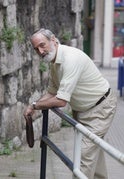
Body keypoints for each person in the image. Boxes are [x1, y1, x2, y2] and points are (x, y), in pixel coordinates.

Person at [23, 28, 117, 179]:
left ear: (53, 39)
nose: (40, 51)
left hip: (100, 108)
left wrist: (35, 105)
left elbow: (60, 101)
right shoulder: (55, 62)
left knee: (83, 157)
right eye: (36, 49)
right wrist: (32, 106)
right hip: (84, 110)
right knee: (93, 152)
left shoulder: (70, 59)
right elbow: (52, 92)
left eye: (42, 45)